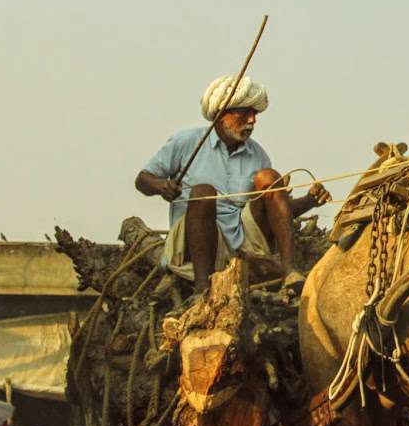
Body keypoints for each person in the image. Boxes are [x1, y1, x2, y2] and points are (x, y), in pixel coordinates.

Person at [136, 75, 331, 294]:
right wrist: (162, 186)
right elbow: (142, 180)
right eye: (244, 113)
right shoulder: (186, 142)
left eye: (255, 114)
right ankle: (203, 289)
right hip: (196, 244)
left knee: (269, 177)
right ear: (221, 114)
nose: (252, 121)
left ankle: (289, 270)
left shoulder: (258, 155)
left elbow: (274, 211)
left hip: (243, 244)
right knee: (203, 192)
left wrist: (309, 201)